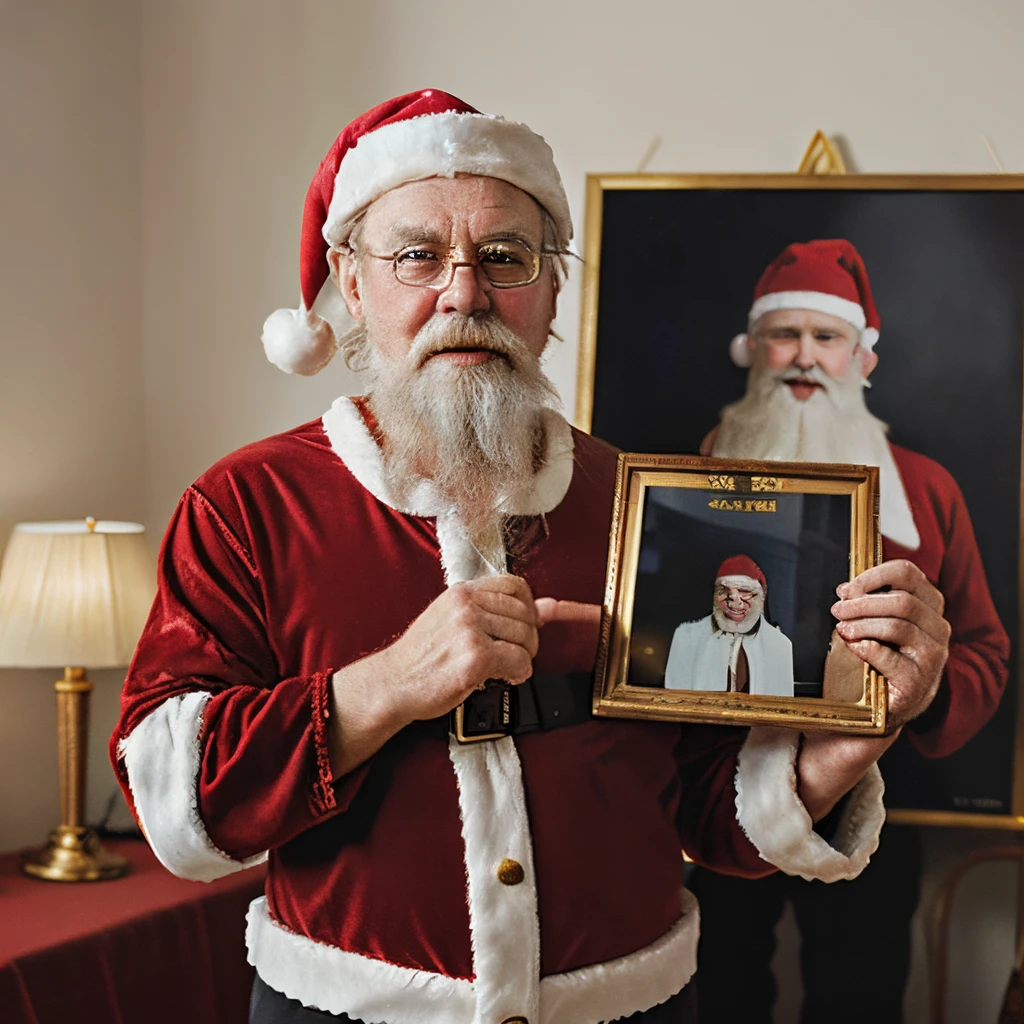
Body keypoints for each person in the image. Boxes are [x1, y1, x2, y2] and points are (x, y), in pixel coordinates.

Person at [109, 96, 951, 1024]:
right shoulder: (245, 507)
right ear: (352, 284)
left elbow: (714, 812)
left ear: (552, 292)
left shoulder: (653, 506)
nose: (463, 293)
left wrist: (854, 731)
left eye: (505, 258)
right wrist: (386, 685)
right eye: (418, 256)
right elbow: (175, 805)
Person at [692, 238, 1010, 1024]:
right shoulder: (685, 473)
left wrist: (923, 688)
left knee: (860, 1001)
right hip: (712, 802)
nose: (803, 356)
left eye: (826, 337)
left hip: (877, 802)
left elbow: (986, 652)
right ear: (753, 349)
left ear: (862, 358)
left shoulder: (929, 490)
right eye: (784, 335)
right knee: (715, 996)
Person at [664, 555, 794, 695]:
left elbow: (781, 708)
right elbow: (674, 701)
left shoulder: (780, 645)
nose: (733, 600)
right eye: (723, 590)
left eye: (744, 591)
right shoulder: (687, 637)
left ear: (761, 599)